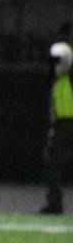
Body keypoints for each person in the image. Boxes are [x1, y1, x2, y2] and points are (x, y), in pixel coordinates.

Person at [39, 22, 73, 215]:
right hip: (64, 119)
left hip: (65, 120)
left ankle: (55, 203)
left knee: (52, 161)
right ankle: (54, 202)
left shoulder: (62, 75)